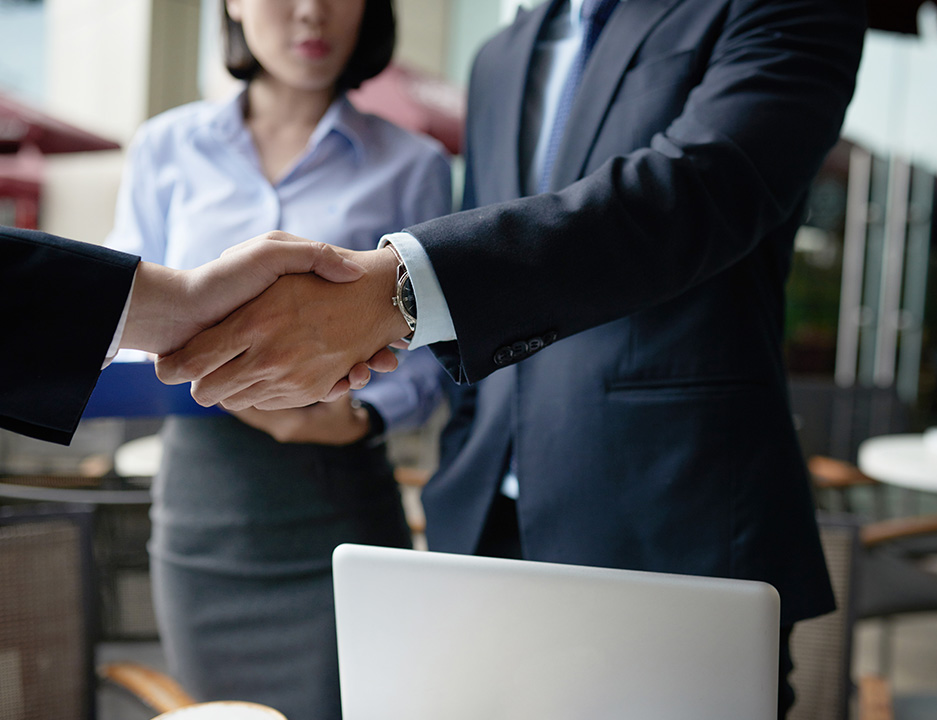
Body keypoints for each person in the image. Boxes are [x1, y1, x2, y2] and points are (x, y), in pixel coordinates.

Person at [159, 0, 867, 714]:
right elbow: (494, 285)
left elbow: (694, 192)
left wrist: (395, 292)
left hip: (673, 524)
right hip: (483, 528)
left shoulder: (776, 8)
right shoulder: (501, 56)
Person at [105, 0, 451, 717]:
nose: (311, 12)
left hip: (337, 500)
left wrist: (354, 415)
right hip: (204, 511)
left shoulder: (413, 163)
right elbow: (120, 317)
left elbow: (430, 358)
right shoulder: (165, 147)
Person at [0, 224, 374, 444]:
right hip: (193, 441)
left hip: (341, 448)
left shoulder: (411, 161)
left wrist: (367, 417)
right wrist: (177, 308)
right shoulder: (165, 141)